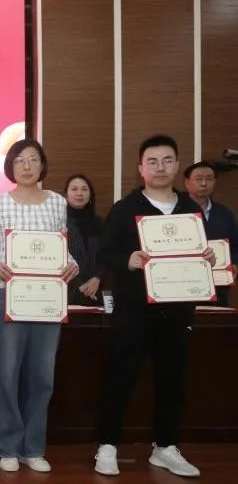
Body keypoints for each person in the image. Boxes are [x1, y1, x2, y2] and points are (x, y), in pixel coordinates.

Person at [95, 136, 216, 478]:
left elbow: (199, 252)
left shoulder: (190, 209)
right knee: (120, 376)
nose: (160, 167)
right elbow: (105, 254)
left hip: (178, 310)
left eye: (166, 160)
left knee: (173, 379)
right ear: (141, 168)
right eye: (152, 161)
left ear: (177, 166)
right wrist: (128, 260)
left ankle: (165, 447)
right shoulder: (125, 209)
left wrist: (208, 257)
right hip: (134, 310)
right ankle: (107, 446)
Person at [0, 139, 78, 474]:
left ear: (42, 165)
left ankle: (33, 448)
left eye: (33, 159)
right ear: (10, 165)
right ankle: (8, 447)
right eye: (20, 160)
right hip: (9, 295)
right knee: (7, 374)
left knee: (42, 376)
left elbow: (61, 247)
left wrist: (71, 264)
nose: (26, 165)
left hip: (48, 298)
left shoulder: (57, 203)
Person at [183, 161, 237, 306]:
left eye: (209, 178)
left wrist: (234, 263)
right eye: (199, 179)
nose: (204, 183)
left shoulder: (225, 213)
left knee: (215, 318)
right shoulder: (176, 212)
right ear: (187, 183)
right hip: (185, 285)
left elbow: (235, 245)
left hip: (218, 285)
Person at [64, 174, 104, 306]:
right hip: (68, 290)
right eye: (74, 189)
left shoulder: (100, 223)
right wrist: (79, 285)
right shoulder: (59, 222)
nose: (79, 193)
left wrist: (97, 278)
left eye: (84, 189)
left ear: (90, 194)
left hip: (97, 290)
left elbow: (106, 255)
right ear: (66, 194)